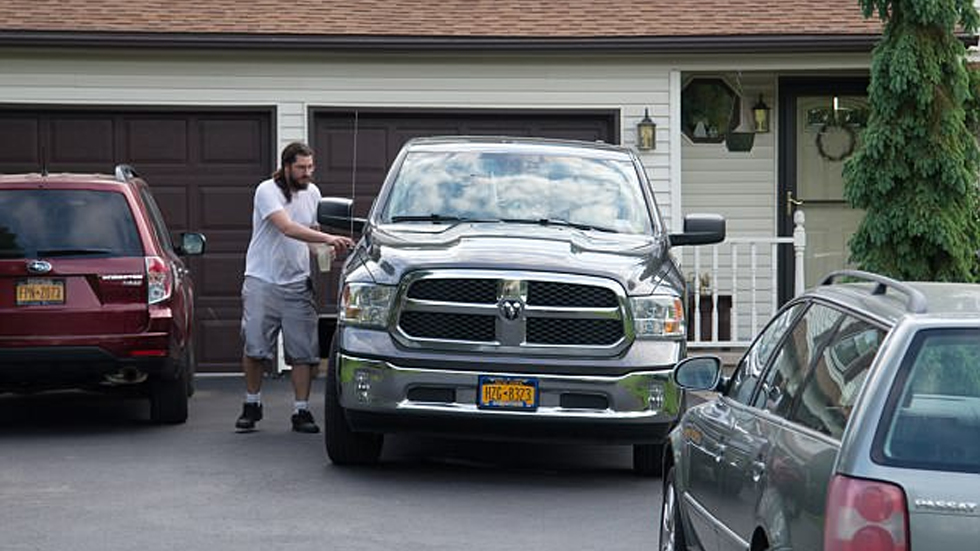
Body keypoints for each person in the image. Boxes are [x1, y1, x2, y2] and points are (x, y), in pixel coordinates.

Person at [236, 142, 355, 433]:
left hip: (297, 283)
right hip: (262, 280)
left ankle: (301, 412)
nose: (307, 173)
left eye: (311, 167)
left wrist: (326, 249)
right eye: (301, 168)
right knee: (255, 348)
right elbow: (287, 227)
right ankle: (252, 404)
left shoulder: (313, 193)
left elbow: (310, 237)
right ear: (287, 166)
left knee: (303, 352)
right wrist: (327, 238)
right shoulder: (267, 190)